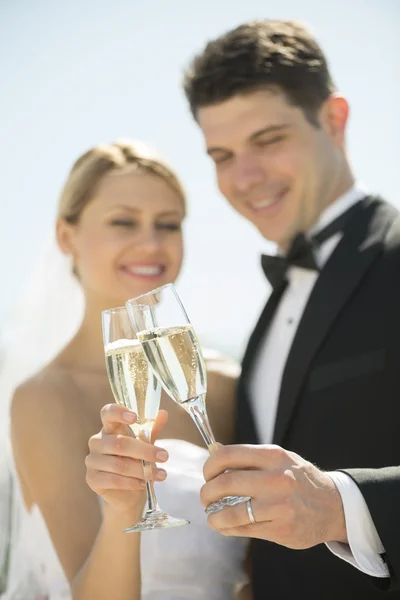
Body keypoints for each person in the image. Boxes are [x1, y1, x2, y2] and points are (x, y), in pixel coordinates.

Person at [181, 18, 400, 599]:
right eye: (221, 154)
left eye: (268, 140)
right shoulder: (273, 307)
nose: (244, 177)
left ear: (334, 120)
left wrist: (338, 506)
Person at [2, 139, 248, 599]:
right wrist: (122, 511)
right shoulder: (44, 400)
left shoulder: (222, 385)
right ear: (65, 236)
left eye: (168, 224)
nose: (151, 243)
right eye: (123, 221)